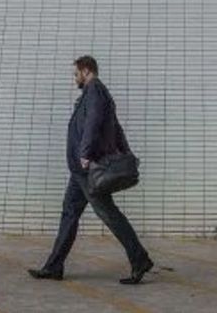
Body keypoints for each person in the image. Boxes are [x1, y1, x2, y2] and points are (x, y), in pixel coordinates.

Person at [28, 56, 154, 284]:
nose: (74, 78)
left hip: (87, 169)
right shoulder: (95, 93)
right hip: (79, 171)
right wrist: (126, 151)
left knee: (109, 214)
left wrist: (85, 153)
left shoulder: (94, 90)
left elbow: (94, 122)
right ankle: (54, 266)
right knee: (69, 214)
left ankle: (140, 259)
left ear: (86, 71)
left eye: (76, 73)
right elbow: (115, 128)